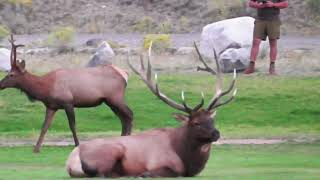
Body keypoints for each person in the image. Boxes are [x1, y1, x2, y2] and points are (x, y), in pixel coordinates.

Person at [244, 0, 288, 75]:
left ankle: (272, 67)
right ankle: (251, 66)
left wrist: (273, 4)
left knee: (273, 43)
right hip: (260, 19)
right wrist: (259, 6)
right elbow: (251, 3)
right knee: (255, 42)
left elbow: (285, 4)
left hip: (273, 20)